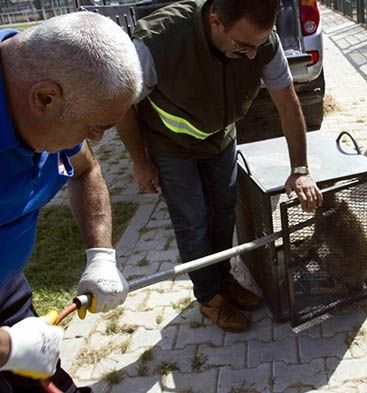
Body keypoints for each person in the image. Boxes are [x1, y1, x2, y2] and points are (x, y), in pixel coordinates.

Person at [117, 0, 323, 333]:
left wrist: (299, 169)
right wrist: (140, 161)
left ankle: (223, 279)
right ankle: (209, 298)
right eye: (244, 46)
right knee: (193, 220)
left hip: (220, 137)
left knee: (225, 210)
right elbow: (122, 105)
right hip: (170, 144)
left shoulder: (261, 44)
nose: (254, 55)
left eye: (259, 44)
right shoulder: (157, 44)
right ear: (215, 22)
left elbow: (287, 102)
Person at [0, 12, 142, 393]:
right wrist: (8, 347)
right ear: (45, 97)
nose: (95, 138)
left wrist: (101, 254)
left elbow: (85, 170)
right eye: (94, 127)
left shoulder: (44, 91)